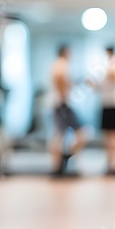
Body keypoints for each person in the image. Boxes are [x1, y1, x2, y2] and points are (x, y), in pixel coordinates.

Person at [49, 44, 87, 176]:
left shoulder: (58, 65)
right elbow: (60, 80)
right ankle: (61, 162)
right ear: (65, 52)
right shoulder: (61, 65)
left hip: (61, 104)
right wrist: (64, 97)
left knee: (60, 135)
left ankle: (59, 164)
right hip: (62, 104)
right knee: (81, 133)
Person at [92, 46, 115, 175]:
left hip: (114, 104)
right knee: (108, 136)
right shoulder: (105, 66)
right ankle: (110, 163)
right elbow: (98, 86)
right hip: (106, 104)